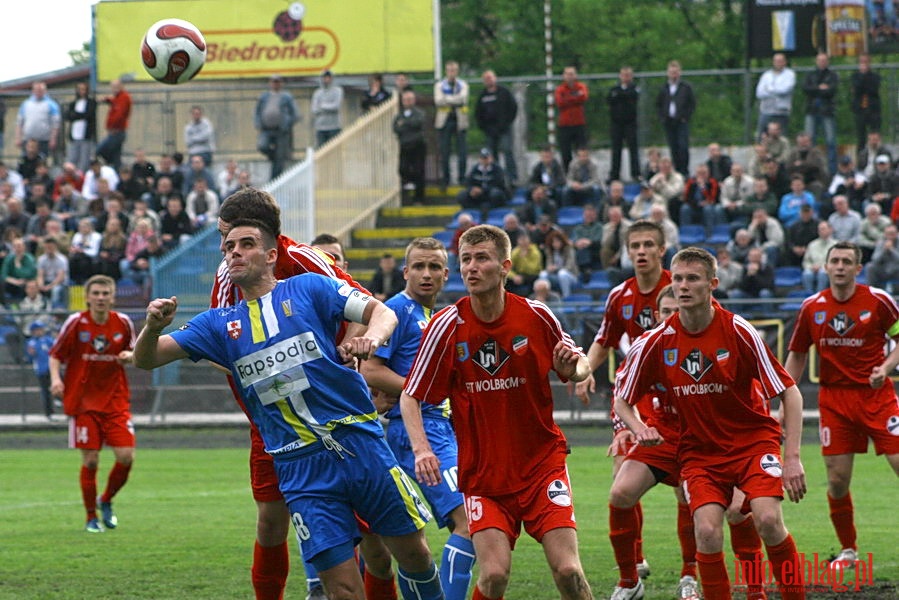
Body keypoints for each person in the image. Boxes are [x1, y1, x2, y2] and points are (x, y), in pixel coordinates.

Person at [134, 218, 444, 600]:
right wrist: (151, 328)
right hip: (300, 468)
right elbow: (146, 360)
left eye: (246, 244)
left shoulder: (310, 287)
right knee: (342, 589)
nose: (235, 252)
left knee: (415, 556)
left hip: (360, 444)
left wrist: (372, 340)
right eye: (228, 247)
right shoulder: (217, 324)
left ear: (270, 255)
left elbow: (383, 313)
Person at [209, 191, 390, 600]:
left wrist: (341, 356)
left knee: (374, 535)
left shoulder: (307, 263)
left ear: (267, 239)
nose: (229, 250)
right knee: (271, 523)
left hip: (334, 416)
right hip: (272, 421)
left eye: (235, 239)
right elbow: (220, 345)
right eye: (226, 242)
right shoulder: (228, 276)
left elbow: (366, 309)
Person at [400, 224, 594, 600]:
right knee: (493, 576)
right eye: (466, 260)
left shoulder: (536, 316)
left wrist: (575, 370)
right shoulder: (446, 326)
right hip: (484, 476)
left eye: (482, 259)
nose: (471, 267)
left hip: (541, 466)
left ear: (505, 266)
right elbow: (412, 395)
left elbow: (579, 362)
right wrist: (422, 449)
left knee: (568, 571)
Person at [614, 247, 807, 600]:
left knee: (767, 520)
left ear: (712, 284)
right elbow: (622, 399)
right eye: (679, 279)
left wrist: (792, 457)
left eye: (693, 279)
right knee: (706, 531)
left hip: (752, 442)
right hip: (699, 451)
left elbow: (790, 393)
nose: (684, 287)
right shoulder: (656, 341)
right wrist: (638, 427)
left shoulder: (738, 331)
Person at [360, 237, 476, 600]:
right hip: (419, 432)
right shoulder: (397, 312)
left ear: (446, 275)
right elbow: (370, 369)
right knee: (470, 522)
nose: (426, 275)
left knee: (410, 540)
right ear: (405, 271)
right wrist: (420, 390)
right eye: (419, 267)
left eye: (434, 268)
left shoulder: (437, 318)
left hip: (436, 428)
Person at [785, 241, 899, 570]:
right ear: (825, 266)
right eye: (834, 260)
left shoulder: (878, 301)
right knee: (837, 480)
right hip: (834, 401)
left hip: (876, 397)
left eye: (846, 261)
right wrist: (784, 396)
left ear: (857, 268)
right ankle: (848, 550)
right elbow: (798, 354)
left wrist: (885, 368)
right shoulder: (811, 306)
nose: (839, 266)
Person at [49, 274, 137, 533]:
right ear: (87, 297)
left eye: (105, 293)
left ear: (112, 297)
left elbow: (136, 353)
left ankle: (106, 499)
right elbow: (56, 354)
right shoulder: (76, 323)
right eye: (96, 293)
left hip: (115, 401)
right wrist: (56, 379)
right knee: (90, 461)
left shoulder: (123, 322)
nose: (100, 298)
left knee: (126, 456)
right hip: (83, 402)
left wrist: (128, 357)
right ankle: (91, 517)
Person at [475, 69, 518, 185]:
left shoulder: (504, 92)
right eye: (486, 78)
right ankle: (495, 178)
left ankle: (512, 177)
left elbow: (513, 108)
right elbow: (478, 114)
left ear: (495, 78)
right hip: (489, 130)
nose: (489, 80)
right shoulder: (482, 96)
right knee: (491, 155)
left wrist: (506, 123)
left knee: (507, 150)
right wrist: (484, 127)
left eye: (490, 77)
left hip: (504, 128)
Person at [255, 74, 300, 180]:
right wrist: (258, 124)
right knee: (263, 146)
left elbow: (295, 114)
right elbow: (257, 112)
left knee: (280, 159)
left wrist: (287, 123)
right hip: (266, 130)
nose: (275, 84)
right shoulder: (264, 97)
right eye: (273, 82)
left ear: (281, 83)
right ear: (270, 83)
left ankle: (274, 180)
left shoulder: (286, 97)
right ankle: (273, 156)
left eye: (277, 82)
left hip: (281, 131)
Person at [434, 61, 469, 188]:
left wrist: (447, 99)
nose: (451, 73)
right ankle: (446, 178)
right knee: (445, 151)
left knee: (462, 151)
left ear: (457, 71)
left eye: (454, 70)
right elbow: (438, 101)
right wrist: (455, 100)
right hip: (444, 121)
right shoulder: (439, 85)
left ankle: (462, 178)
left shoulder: (463, 84)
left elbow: (463, 99)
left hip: (460, 120)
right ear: (446, 71)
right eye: (449, 70)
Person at [656, 60, 695, 176]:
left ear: (679, 73)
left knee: (683, 146)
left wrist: (685, 117)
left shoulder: (685, 87)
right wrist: (662, 117)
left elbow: (691, 103)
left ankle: (684, 171)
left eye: (675, 72)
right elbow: (658, 104)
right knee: (673, 147)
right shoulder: (664, 88)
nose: (673, 74)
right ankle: (676, 170)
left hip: (681, 121)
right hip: (669, 122)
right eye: (671, 72)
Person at [802, 53, 838, 175]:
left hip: (827, 111)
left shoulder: (832, 75)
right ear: (816, 61)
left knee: (830, 140)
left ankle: (832, 170)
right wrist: (819, 88)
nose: (822, 62)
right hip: (812, 110)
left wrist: (816, 90)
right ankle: (812, 166)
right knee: (810, 140)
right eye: (820, 60)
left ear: (827, 62)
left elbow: (831, 91)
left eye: (824, 60)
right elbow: (806, 89)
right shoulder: (811, 75)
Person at [607, 66, 640, 183]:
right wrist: (622, 95)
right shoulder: (614, 88)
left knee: (633, 149)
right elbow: (610, 99)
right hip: (617, 123)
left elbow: (631, 96)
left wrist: (621, 95)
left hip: (630, 123)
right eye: (623, 75)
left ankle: (636, 173)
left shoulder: (635, 88)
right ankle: (614, 174)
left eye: (628, 75)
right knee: (616, 150)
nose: (626, 77)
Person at [393, 89, 427, 205]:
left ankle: (419, 198)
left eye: (409, 99)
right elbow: (396, 128)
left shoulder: (419, 112)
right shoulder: (399, 115)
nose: (407, 102)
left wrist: (405, 123)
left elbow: (417, 124)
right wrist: (407, 124)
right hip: (405, 145)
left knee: (419, 171)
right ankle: (410, 185)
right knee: (402, 169)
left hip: (418, 146)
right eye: (405, 99)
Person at [456, 148, 508, 218]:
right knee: (462, 195)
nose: (484, 160)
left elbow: (499, 184)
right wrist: (472, 189)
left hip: (490, 194)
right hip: (478, 195)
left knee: (496, 194)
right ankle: (473, 211)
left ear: (491, 158)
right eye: (482, 158)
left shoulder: (497, 169)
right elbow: (468, 182)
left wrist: (482, 190)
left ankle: (492, 211)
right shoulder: (475, 169)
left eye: (486, 158)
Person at [555, 66, 589, 171]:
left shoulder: (581, 86)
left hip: (579, 123)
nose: (570, 76)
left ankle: (583, 174)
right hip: (565, 125)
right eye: (567, 74)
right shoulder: (560, 89)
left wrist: (568, 97)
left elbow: (583, 97)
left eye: (572, 74)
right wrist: (575, 97)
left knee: (582, 152)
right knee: (565, 153)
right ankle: (568, 175)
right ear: (564, 76)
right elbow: (560, 102)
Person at [14, 81, 61, 158]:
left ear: (45, 91)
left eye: (41, 90)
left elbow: (56, 124)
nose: (39, 92)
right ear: (33, 91)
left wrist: (53, 139)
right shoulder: (26, 104)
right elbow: (19, 123)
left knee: (42, 162)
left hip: (44, 140)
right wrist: (18, 138)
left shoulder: (52, 105)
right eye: (37, 90)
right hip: (28, 139)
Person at [755, 53, 796, 138]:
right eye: (776, 61)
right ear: (773, 62)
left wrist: (769, 89)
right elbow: (759, 93)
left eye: (781, 61)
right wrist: (775, 91)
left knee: (782, 137)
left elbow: (785, 90)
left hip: (782, 112)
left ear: (785, 62)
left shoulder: (790, 74)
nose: (778, 63)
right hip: (766, 111)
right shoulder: (766, 75)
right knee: (761, 136)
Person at [96, 79, 132, 170]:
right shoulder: (117, 97)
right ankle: (117, 172)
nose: (114, 89)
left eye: (116, 87)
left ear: (121, 87)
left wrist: (113, 127)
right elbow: (114, 102)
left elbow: (120, 114)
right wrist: (106, 100)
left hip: (117, 131)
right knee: (116, 157)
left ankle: (112, 165)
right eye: (113, 87)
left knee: (100, 150)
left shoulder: (124, 97)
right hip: (115, 131)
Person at [26, 320, 56, 420]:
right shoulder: (31, 342)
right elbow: (29, 358)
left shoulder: (48, 340)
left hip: (52, 368)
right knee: (45, 391)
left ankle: (60, 402)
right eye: (37, 330)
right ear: (33, 331)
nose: (40, 331)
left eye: (41, 329)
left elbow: (56, 348)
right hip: (41, 369)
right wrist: (31, 354)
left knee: (60, 385)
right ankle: (48, 413)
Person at [850, 54, 881, 150]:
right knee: (861, 136)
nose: (864, 64)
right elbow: (857, 90)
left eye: (865, 62)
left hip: (873, 109)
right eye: (861, 62)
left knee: (874, 134)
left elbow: (873, 90)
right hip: (860, 109)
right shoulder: (855, 76)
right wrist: (862, 76)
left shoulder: (875, 77)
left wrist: (865, 77)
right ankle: (861, 159)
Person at [64, 82, 97, 173]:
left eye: (83, 89)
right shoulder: (73, 103)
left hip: (85, 136)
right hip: (74, 136)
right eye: (80, 89)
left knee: (84, 161)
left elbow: (88, 115)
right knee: (72, 159)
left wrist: (76, 115)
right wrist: (79, 115)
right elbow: (68, 116)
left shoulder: (91, 102)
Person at [801, 221, 836, 293]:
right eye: (819, 229)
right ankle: (809, 297)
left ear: (830, 230)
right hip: (812, 268)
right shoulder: (812, 244)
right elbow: (806, 261)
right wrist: (810, 267)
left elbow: (836, 262)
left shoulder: (836, 245)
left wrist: (822, 267)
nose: (821, 231)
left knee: (822, 273)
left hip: (827, 269)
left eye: (823, 229)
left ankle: (820, 296)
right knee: (807, 274)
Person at [311, 69, 344, 147]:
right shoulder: (317, 93)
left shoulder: (338, 91)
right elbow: (314, 109)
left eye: (328, 77)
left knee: (335, 150)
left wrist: (322, 105)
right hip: (321, 128)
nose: (326, 80)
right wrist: (328, 106)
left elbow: (336, 106)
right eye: (324, 77)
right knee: (321, 151)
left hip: (334, 127)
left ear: (332, 78)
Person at [36, 236, 69, 308]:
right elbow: (40, 275)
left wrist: (49, 287)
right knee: (34, 287)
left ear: (55, 247)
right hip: (46, 281)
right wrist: (41, 285)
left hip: (60, 283)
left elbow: (60, 277)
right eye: (46, 247)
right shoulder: (41, 259)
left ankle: (54, 310)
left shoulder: (62, 259)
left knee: (55, 290)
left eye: (50, 247)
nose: (48, 249)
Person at [866, 224, 899, 289]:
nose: (890, 236)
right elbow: (874, 260)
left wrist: (891, 249)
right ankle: (872, 291)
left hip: (897, 271)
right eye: (888, 233)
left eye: (892, 233)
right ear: (885, 234)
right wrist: (884, 250)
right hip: (883, 270)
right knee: (870, 266)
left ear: (897, 233)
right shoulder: (881, 242)